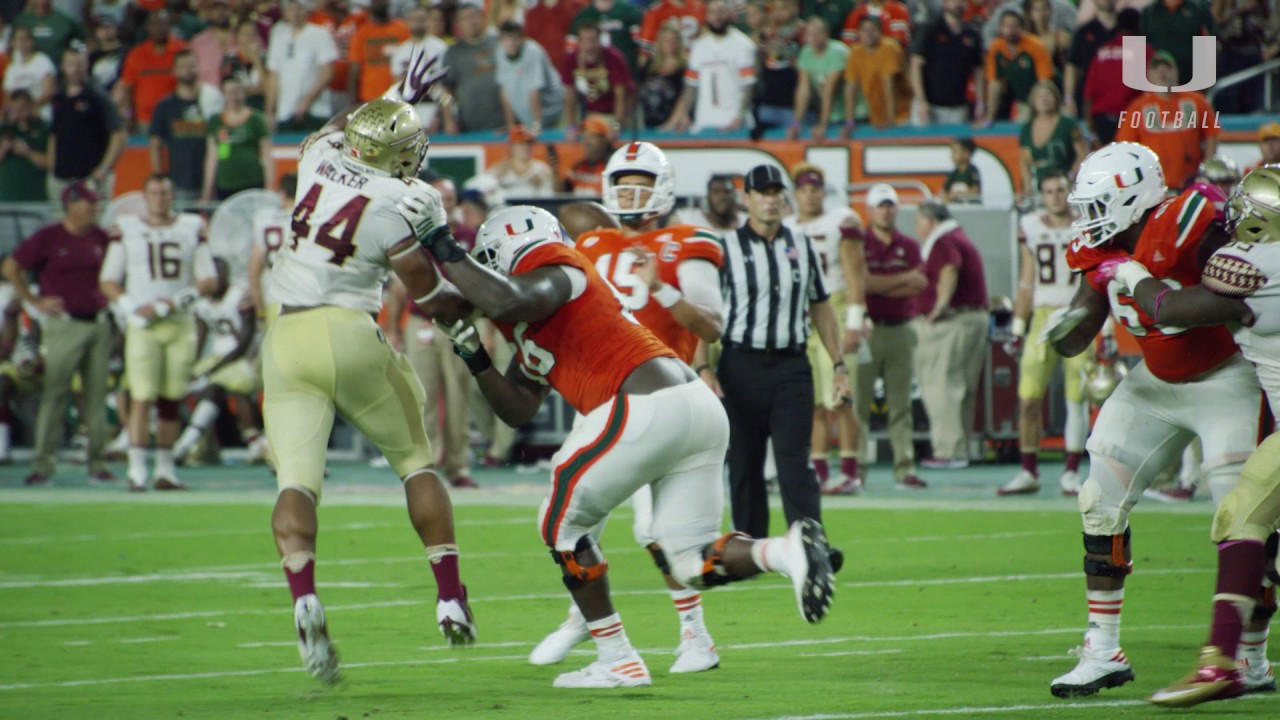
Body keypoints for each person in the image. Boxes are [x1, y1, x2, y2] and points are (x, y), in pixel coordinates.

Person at [400, 196, 836, 688]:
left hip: (643, 403)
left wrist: (440, 242)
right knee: (691, 561)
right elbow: (518, 408)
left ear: (502, 250)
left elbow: (504, 298)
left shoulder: (554, 268)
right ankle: (786, 553)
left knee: (557, 521)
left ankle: (617, 657)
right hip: (691, 410)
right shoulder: (535, 312)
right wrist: (473, 353)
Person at [262, 75, 477, 683]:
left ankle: (303, 592)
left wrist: (390, 93)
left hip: (284, 339)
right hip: (348, 331)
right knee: (416, 461)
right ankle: (450, 595)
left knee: (296, 480)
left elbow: (337, 127)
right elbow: (428, 291)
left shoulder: (317, 155)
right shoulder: (396, 201)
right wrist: (469, 314)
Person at [1045, 142, 1263, 698]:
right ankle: (1102, 648)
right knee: (1098, 500)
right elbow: (1083, 321)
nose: (1087, 220)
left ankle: (1251, 657)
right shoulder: (1100, 248)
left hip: (1225, 377)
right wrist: (1063, 329)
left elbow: (1234, 291)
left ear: (1130, 198)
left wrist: (1143, 279)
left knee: (1242, 520)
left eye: (1097, 205)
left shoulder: (1191, 219)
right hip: (1154, 382)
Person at [533, 141, 727, 673]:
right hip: (600, 397)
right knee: (573, 521)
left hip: (657, 395)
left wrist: (661, 289)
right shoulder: (593, 241)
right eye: (622, 185)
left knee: (650, 530)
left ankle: (694, 635)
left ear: (663, 189)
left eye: (642, 184)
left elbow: (711, 324)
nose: (631, 195)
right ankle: (586, 623)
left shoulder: (688, 241)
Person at [1122, 166, 1280, 706]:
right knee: (1254, 523)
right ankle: (1222, 661)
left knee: (1242, 515)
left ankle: (1220, 666)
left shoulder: (1254, 265)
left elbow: (1168, 309)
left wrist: (1131, 274)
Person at [703, 164, 847, 539]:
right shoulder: (726, 248)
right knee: (744, 464)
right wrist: (703, 366)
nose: (770, 200)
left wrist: (840, 363)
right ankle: (749, 549)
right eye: (761, 193)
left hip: (790, 365)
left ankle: (809, 543)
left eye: (775, 193)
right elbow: (705, 310)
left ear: (783, 198)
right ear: (747, 199)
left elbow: (821, 306)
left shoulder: (802, 245)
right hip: (740, 364)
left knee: (795, 462)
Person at [99, 175, 216, 492]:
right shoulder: (128, 227)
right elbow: (108, 279)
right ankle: (137, 471)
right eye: (154, 192)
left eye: (165, 192)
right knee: (142, 396)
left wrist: (171, 304)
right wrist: (131, 308)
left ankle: (165, 471)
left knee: (171, 397)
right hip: (143, 326)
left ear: (173, 194)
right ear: (145, 196)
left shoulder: (191, 225)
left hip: (179, 322)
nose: (160, 198)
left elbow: (209, 280)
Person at [2, 181, 114, 486]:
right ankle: (43, 466)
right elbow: (12, 266)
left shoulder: (100, 238)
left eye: (95, 203)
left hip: (99, 323)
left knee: (96, 399)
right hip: (64, 325)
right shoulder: (49, 237)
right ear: (71, 205)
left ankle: (98, 465)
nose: (95, 208)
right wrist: (32, 300)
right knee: (54, 396)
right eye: (89, 203)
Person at [999, 170, 1089, 496]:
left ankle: (1070, 471)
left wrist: (1104, 326)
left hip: (1078, 312)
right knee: (1027, 398)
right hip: (1041, 316)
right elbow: (1026, 280)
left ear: (1069, 191)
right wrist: (1018, 326)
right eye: (1049, 190)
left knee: (1076, 398)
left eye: (1060, 189)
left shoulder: (1085, 224)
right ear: (1042, 195)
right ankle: (1028, 471)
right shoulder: (1032, 226)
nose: (1055, 196)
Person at [786, 163, 865, 495]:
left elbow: (856, 272)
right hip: (800, 317)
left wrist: (856, 320)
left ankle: (850, 471)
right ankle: (818, 470)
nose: (809, 196)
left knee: (842, 398)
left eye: (815, 189)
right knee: (814, 402)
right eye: (803, 190)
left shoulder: (840, 221)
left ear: (823, 192)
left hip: (834, 307)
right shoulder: (786, 226)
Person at [855, 183, 925, 489]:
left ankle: (904, 468)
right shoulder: (859, 244)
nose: (885, 211)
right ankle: (855, 468)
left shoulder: (909, 245)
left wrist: (877, 283)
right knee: (858, 405)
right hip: (866, 329)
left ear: (896, 209)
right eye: (880, 206)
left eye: (889, 205)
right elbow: (861, 284)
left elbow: (918, 284)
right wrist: (900, 280)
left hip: (900, 329)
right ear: (870, 211)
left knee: (901, 405)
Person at [914, 201, 988, 469]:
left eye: (918, 222)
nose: (917, 228)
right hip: (973, 319)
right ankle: (961, 447)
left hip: (952, 321)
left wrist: (939, 306)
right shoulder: (959, 237)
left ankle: (947, 450)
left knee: (940, 385)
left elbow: (948, 270)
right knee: (962, 387)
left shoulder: (943, 242)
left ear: (930, 221)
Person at [173, 257, 268, 465]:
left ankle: (187, 443)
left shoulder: (240, 296)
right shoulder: (200, 301)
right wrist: (193, 365)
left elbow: (245, 339)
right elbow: (201, 333)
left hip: (247, 355)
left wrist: (213, 369)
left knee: (227, 383)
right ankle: (204, 445)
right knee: (187, 384)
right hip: (219, 356)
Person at [1114, 52, 1218, 190]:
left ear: (1176, 72)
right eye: (1156, 69)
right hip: (1154, 188)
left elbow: (1212, 135)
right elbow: (1126, 147)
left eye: (1168, 68)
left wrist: (1206, 169)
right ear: (1149, 75)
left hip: (1191, 184)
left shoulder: (1196, 101)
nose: (1162, 73)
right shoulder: (1138, 108)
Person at [664, 0, 755, 133]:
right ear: (706, 16)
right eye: (712, 12)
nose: (717, 17)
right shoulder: (699, 46)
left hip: (734, 123)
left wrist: (740, 115)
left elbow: (748, 85)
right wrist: (684, 114)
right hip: (704, 121)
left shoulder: (744, 45)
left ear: (729, 15)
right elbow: (691, 85)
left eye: (721, 12)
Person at [48, 47, 125, 205]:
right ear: (63, 66)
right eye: (71, 64)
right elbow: (54, 134)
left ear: (87, 65)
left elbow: (118, 134)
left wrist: (104, 169)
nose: (76, 69)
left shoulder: (98, 96)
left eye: (80, 64)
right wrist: (52, 168)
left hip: (91, 180)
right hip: (61, 179)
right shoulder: (58, 98)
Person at [149, 49, 223, 204]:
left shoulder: (212, 102)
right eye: (183, 66)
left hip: (214, 182)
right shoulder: (165, 106)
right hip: (179, 184)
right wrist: (160, 178)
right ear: (174, 71)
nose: (188, 70)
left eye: (192, 65)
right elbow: (155, 145)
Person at [265, 0, 338, 133]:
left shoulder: (319, 34)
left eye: (299, 9)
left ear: (307, 11)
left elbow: (328, 72)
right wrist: (270, 111)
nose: (295, 13)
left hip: (315, 111)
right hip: (285, 111)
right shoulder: (278, 36)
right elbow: (273, 76)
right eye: (291, 9)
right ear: (285, 12)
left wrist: (307, 100)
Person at [908, 0, 983, 127]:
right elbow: (915, 65)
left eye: (961, 1)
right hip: (929, 106)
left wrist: (980, 103)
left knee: (957, 146)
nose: (957, 4)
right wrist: (921, 100)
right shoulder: (929, 29)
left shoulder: (972, 34)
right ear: (945, 3)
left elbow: (978, 71)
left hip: (958, 108)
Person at [202, 76, 271, 201]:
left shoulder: (256, 119)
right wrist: (206, 192)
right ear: (223, 95)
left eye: (237, 91)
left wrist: (270, 188)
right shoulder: (215, 122)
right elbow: (212, 158)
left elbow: (267, 155)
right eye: (229, 92)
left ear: (243, 92)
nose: (234, 96)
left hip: (253, 182)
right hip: (225, 184)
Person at [115, 10, 185, 131]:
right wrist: (128, 116)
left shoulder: (182, 51)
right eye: (154, 24)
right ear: (148, 27)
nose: (158, 28)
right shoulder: (136, 54)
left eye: (162, 24)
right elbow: (127, 89)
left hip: (176, 118)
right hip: (145, 120)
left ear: (169, 26)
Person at [980, 9, 1053, 125]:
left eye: (1015, 26)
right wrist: (989, 117)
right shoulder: (996, 49)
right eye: (1007, 26)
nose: (1010, 30)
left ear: (1022, 28)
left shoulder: (1036, 46)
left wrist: (1041, 109)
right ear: (1000, 28)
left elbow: (1044, 82)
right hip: (1023, 100)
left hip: (1048, 97)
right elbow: (995, 84)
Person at [1018, 80, 1087, 199]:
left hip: (1066, 187)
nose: (1044, 100)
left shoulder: (1068, 124)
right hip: (1040, 187)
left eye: (1048, 95)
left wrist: (1070, 177)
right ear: (1033, 101)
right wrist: (1028, 186)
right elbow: (1025, 161)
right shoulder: (1027, 128)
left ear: (1056, 98)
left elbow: (1083, 154)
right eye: (1040, 96)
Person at [248, 173, 296, 321]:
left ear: (283, 193)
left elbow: (254, 271)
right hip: (305, 300)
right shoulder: (310, 219)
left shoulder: (265, 219)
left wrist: (260, 311)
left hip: (273, 299)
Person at [348, 0, 408, 102]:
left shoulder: (403, 29)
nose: (380, 3)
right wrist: (353, 99)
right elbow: (354, 69)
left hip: (397, 96)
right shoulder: (362, 32)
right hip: (369, 96)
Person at [0, 89, 50, 203]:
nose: (18, 112)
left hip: (35, 199)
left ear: (31, 106)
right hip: (6, 199)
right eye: (15, 109)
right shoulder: (4, 131)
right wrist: (3, 149)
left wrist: (28, 152)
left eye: (22, 108)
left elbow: (50, 163)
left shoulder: (44, 130)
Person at [676, 174, 742, 235]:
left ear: (734, 196)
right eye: (716, 192)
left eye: (727, 192)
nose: (722, 197)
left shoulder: (746, 222)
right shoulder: (690, 220)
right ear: (708, 197)